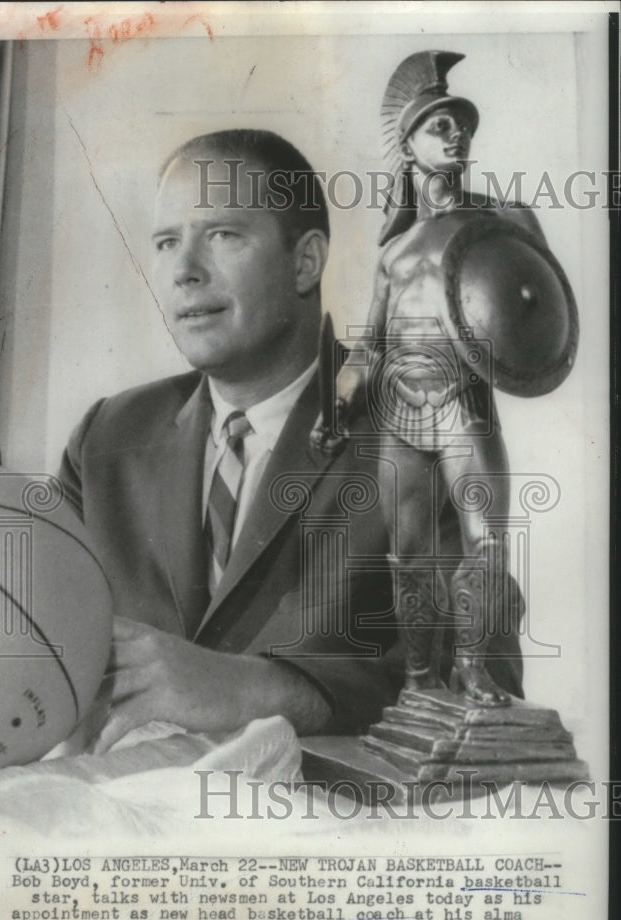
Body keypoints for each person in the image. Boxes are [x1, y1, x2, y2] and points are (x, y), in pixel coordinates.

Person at [59, 127, 524, 752]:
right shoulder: (105, 437)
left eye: (222, 235)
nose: (184, 272)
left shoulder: (415, 431)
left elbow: (487, 692)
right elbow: (26, 643)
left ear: (305, 261)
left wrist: (257, 690)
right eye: (168, 242)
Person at [311, 51, 548, 705]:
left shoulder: (500, 224)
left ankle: (476, 671)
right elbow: (373, 343)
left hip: (463, 401)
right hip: (398, 412)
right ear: (409, 147)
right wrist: (334, 403)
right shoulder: (395, 250)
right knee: (409, 556)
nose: (454, 134)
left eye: (458, 124)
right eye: (437, 126)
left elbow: (538, 310)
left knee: (488, 541)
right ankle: (419, 685)